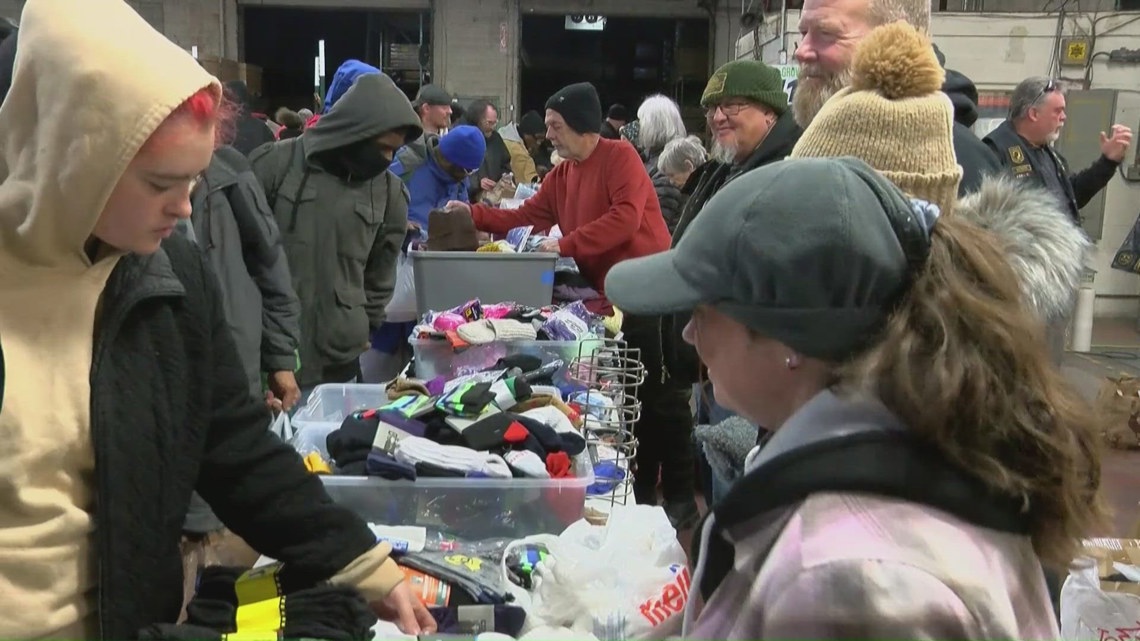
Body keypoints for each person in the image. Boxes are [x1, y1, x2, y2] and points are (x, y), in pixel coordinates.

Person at [0, 0, 434, 638]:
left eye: (195, 181)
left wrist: (361, 562)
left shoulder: (167, 273)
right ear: (75, 158)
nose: (183, 208)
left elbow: (232, 444)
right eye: (159, 183)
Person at [605, 157, 1105, 639]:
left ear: (790, 339)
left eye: (704, 311)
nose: (690, 334)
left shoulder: (851, 580)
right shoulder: (897, 449)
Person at [446, 82, 699, 528]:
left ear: (581, 125)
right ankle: (638, 500)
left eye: (556, 127)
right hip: (609, 298)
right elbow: (526, 217)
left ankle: (679, 502)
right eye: (547, 127)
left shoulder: (620, 159)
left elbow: (625, 219)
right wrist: (475, 215)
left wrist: (564, 243)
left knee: (661, 400)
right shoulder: (563, 175)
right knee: (630, 402)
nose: (550, 136)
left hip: (651, 293)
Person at [250, 72, 421, 400]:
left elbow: (380, 275)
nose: (387, 159)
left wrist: (361, 324)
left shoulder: (390, 194)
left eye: (394, 151)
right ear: (355, 131)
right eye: (382, 147)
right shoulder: (276, 166)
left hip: (338, 359)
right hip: (268, 356)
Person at [793, 0, 1000, 194]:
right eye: (803, 32)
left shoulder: (963, 167)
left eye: (826, 33)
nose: (801, 51)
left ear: (899, 38)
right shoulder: (804, 137)